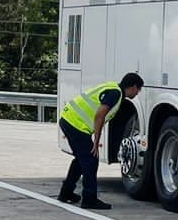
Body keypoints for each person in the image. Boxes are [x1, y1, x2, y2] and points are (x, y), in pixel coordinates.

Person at [57, 73, 144, 210]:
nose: (138, 93)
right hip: (75, 124)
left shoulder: (114, 88)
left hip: (68, 119)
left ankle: (66, 193)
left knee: (81, 159)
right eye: (138, 89)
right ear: (133, 87)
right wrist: (96, 141)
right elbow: (99, 115)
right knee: (91, 160)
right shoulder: (115, 94)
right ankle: (89, 199)